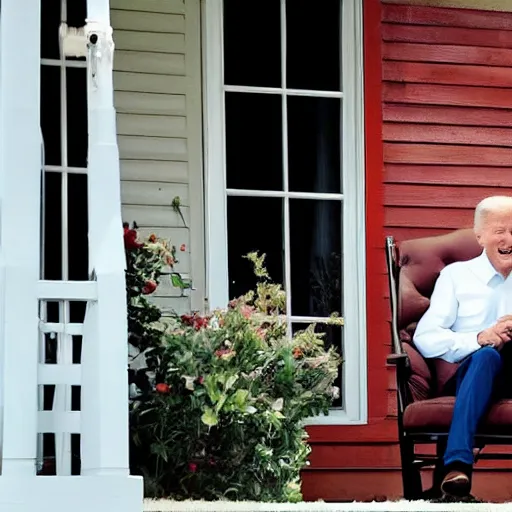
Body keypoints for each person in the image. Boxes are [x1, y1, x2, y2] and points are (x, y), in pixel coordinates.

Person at [413, 195, 512, 498]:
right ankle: (457, 467)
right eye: (500, 231)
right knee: (486, 357)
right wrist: (479, 338)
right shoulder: (456, 276)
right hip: (473, 373)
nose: (509, 239)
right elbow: (425, 337)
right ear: (480, 236)